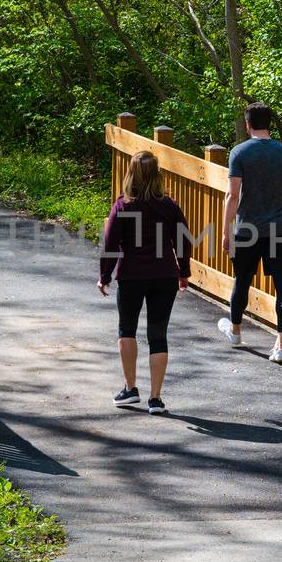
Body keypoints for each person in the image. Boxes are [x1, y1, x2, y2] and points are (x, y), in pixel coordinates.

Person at [98, 151, 191, 414]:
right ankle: (156, 398)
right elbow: (182, 240)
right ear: (158, 174)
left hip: (131, 276)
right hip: (164, 276)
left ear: (131, 174)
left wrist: (104, 276)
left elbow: (111, 243)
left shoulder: (123, 205)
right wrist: (183, 271)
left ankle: (130, 389)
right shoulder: (169, 206)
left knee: (126, 330)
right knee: (158, 336)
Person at [219, 103, 282, 363]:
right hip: (279, 230)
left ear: (248, 125)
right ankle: (280, 346)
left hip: (247, 230)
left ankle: (235, 331)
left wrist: (226, 231)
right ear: (269, 124)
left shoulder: (240, 152)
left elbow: (233, 196)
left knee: (242, 280)